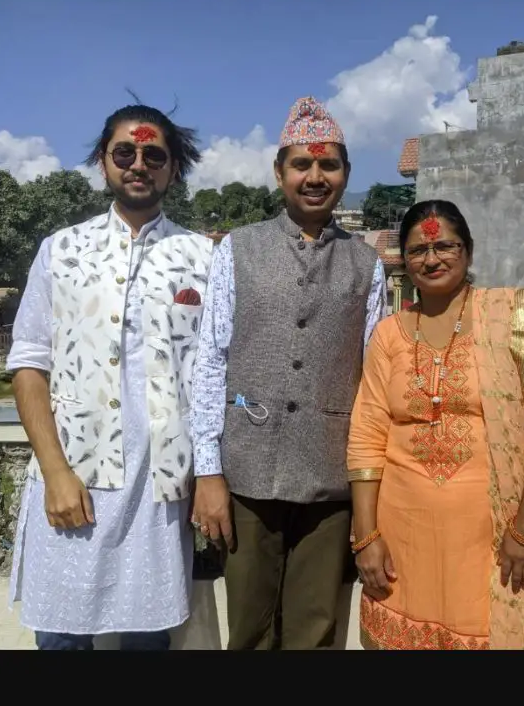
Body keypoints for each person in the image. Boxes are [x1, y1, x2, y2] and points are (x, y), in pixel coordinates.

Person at [6, 102, 214, 650]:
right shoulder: (61, 250)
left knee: (149, 644)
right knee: (61, 643)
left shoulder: (203, 257)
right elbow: (29, 363)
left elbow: (216, 371)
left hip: (160, 494)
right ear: (104, 161)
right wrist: (54, 473)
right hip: (72, 483)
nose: (138, 163)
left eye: (154, 154)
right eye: (125, 152)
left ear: (174, 168)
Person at [190, 96, 387, 650]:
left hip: (330, 474)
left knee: (317, 628)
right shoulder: (237, 249)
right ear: (279, 173)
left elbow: (375, 375)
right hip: (247, 471)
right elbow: (211, 360)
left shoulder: (367, 264)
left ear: (346, 174)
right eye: (302, 164)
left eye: (329, 165)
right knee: (249, 625)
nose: (315, 176)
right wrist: (208, 472)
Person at [346, 199, 524, 650]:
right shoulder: (390, 332)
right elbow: (367, 434)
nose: (431, 259)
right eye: (417, 250)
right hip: (400, 538)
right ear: (404, 262)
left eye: (444, 246)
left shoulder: (513, 316)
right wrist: (366, 536)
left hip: (494, 541)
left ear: (468, 251)